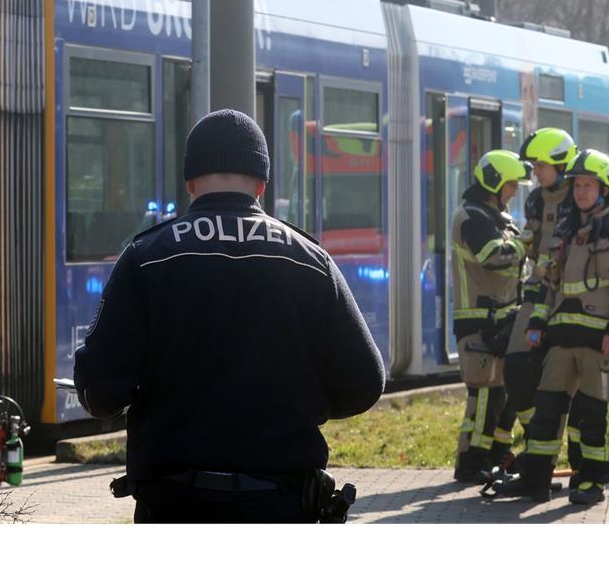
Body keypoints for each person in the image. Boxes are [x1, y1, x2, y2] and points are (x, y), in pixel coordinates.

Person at [73, 108, 385, 523]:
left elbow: (100, 390)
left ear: (190, 182)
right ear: (262, 183)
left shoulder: (146, 257)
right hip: (280, 504)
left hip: (173, 504)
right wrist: (297, 407)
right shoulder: (311, 261)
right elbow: (365, 383)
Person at [494, 149, 609, 504]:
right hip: (559, 340)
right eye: (577, 185)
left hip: (599, 342)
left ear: (605, 190)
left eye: (589, 186)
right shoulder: (564, 231)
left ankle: (591, 481)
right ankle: (534, 482)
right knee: (545, 414)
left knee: (592, 417)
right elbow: (548, 283)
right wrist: (537, 323)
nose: (581, 192)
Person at [490, 129, 577, 472]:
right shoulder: (536, 200)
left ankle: (548, 459)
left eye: (540, 165)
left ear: (560, 164)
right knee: (515, 366)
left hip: (568, 297)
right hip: (537, 292)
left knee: (561, 381)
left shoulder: (579, 198)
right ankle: (535, 435)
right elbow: (530, 239)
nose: (534, 173)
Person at [450, 149, 531, 484]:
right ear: (495, 182)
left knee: (504, 395)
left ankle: (496, 456)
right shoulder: (472, 217)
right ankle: (471, 462)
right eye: (510, 185)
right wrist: (527, 244)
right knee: (484, 395)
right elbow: (493, 256)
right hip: (478, 323)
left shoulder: (498, 215)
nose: (513, 191)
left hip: (502, 319)